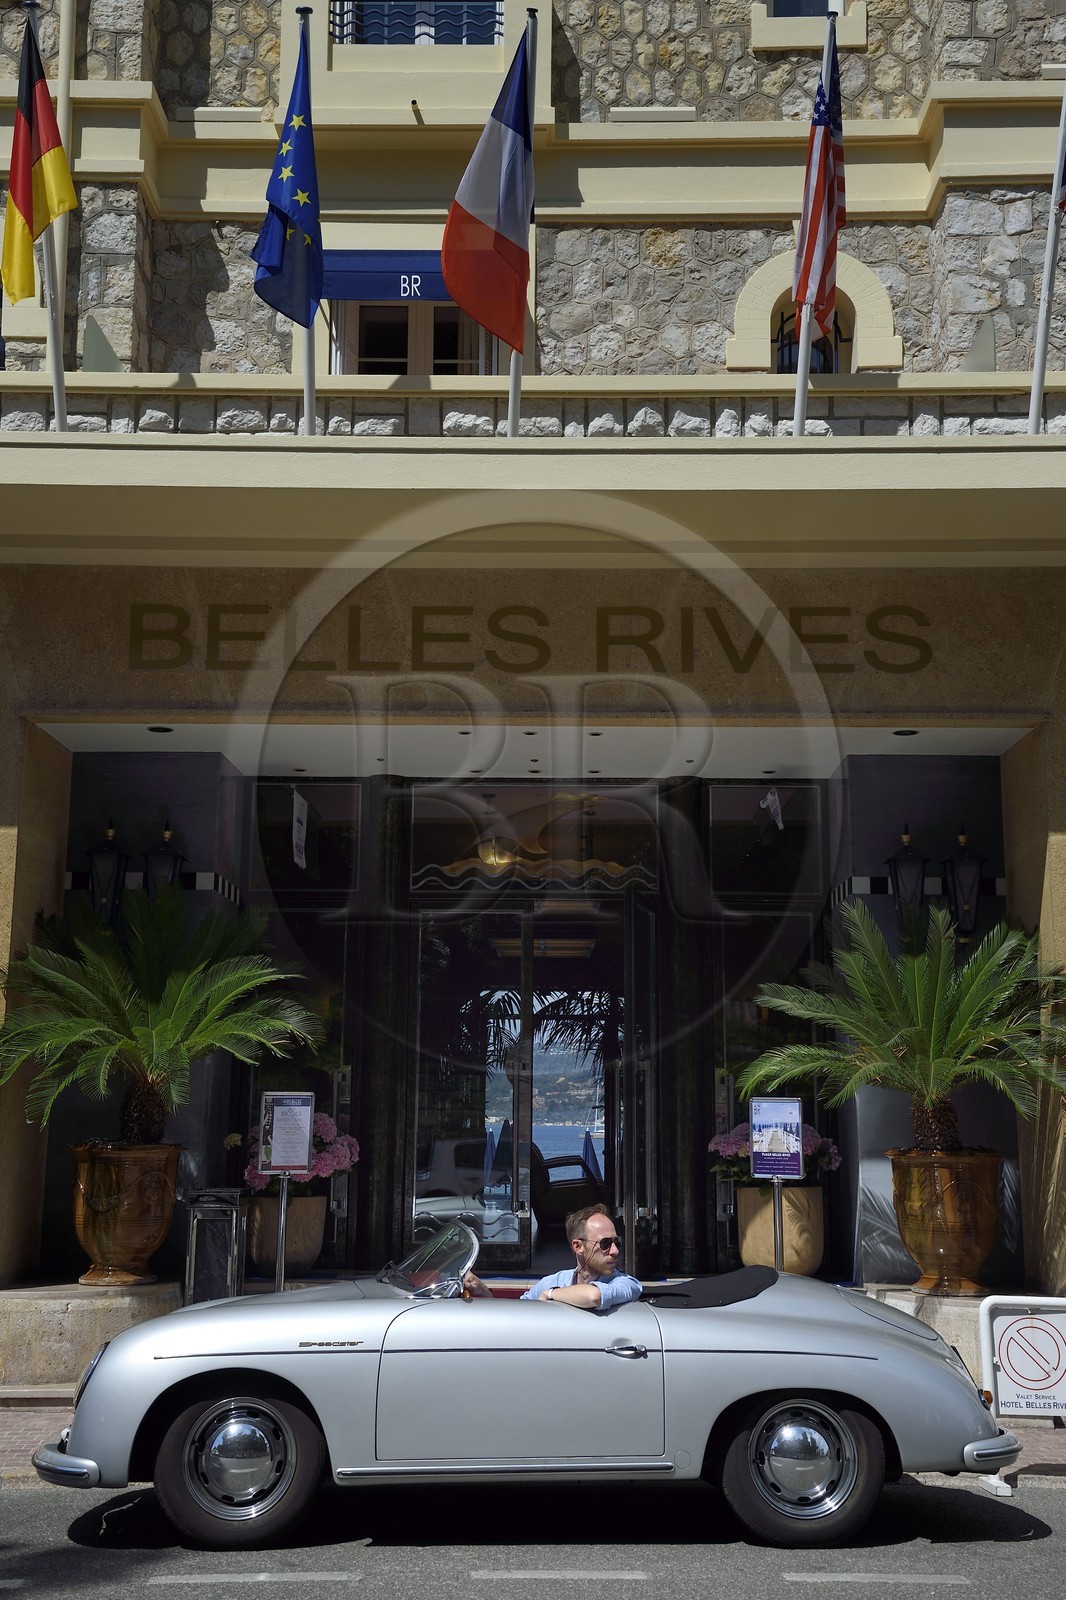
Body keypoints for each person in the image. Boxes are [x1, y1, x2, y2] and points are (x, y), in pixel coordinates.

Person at [464, 1203, 642, 1309]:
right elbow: (518, 1312)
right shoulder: (554, 1280)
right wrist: (483, 1291)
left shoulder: (628, 1284)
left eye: (616, 1242)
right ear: (578, 1247)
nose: (615, 1251)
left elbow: (593, 1296)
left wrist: (551, 1294)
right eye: (605, 1244)